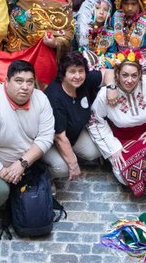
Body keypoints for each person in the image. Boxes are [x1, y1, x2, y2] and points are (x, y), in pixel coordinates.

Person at [0, 61, 55, 244]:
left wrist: (22, 164)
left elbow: (46, 136)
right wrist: (2, 173)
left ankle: (25, 197)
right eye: (19, 81)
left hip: (20, 157)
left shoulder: (41, 99)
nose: (25, 87)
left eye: (30, 82)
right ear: (6, 81)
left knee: (58, 167)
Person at [87, 57, 146, 197]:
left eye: (134, 75)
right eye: (125, 75)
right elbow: (95, 121)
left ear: (140, 74)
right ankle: (112, 162)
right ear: (117, 74)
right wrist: (112, 148)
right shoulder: (105, 94)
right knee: (126, 178)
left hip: (145, 135)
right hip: (119, 139)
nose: (129, 80)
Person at [43, 52, 104, 180]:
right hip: (52, 141)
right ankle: (44, 176)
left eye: (81, 71)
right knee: (63, 168)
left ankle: (69, 153)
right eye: (72, 72)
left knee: (95, 151)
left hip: (73, 135)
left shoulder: (84, 81)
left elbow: (109, 74)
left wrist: (112, 88)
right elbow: (59, 137)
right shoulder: (54, 97)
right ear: (63, 73)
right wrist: (73, 164)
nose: (77, 76)